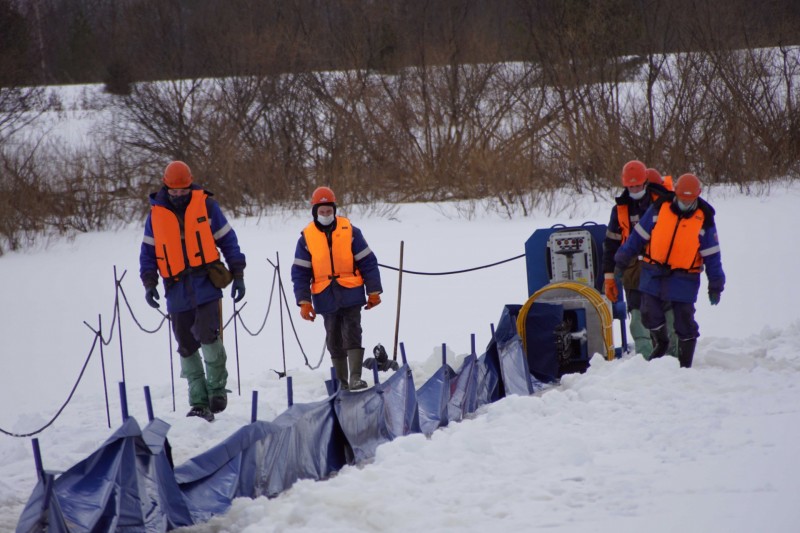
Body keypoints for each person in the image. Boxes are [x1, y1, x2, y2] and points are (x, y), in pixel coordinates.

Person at [139, 161, 246, 421]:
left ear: (190, 185)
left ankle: (217, 390)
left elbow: (227, 240)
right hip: (175, 288)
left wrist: (239, 272)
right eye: (173, 191)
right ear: (166, 187)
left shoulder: (207, 206)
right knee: (186, 346)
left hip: (206, 283)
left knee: (208, 335)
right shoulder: (155, 215)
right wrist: (149, 282)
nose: (178, 195)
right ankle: (199, 402)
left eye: (183, 190)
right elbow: (148, 253)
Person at [614, 173, 725, 368]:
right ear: (676, 194)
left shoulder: (704, 219)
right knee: (648, 312)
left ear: (697, 196)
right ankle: (662, 342)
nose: (685, 203)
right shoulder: (659, 209)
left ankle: (684, 364)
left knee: (684, 321)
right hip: (653, 271)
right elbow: (637, 237)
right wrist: (621, 261)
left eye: (690, 200)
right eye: (682, 198)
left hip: (685, 278)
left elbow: (712, 255)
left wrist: (716, 284)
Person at [291, 186, 383, 391]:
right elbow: (300, 273)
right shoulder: (306, 238)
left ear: (334, 209)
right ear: (315, 211)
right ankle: (341, 382)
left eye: (329, 211)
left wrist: (374, 291)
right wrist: (304, 301)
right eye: (321, 212)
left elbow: (368, 262)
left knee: (352, 331)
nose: (326, 215)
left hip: (351, 293)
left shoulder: (351, 231)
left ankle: (355, 378)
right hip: (325, 297)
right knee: (333, 337)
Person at [603, 160, 672, 359]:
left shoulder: (664, 204)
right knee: (637, 319)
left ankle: (672, 360)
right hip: (632, 271)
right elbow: (611, 245)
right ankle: (646, 360)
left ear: (646, 182)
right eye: (630, 186)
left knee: (666, 314)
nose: (634, 189)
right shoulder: (619, 210)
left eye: (637, 185)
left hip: (660, 269)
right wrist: (609, 277)